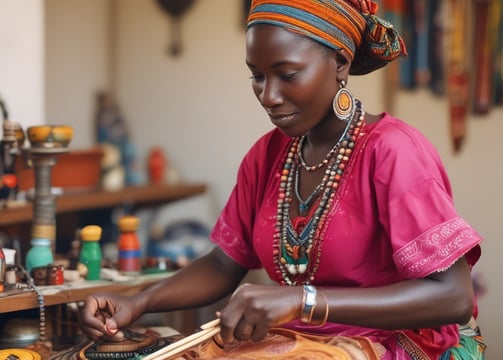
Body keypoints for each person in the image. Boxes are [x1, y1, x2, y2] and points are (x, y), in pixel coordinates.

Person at [79, 0, 485, 358]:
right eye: (256, 75)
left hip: (393, 344)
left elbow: (452, 296)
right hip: (299, 341)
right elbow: (225, 262)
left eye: (286, 74)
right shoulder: (269, 155)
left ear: (340, 63)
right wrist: (139, 302)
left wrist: (303, 300)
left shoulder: (393, 151)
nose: (268, 95)